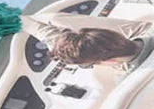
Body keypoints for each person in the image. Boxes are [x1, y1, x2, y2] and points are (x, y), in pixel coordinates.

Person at [21, 9, 154, 76]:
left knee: (54, 20)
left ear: (110, 61)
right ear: (117, 34)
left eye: (89, 64)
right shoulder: (147, 29)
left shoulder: (128, 82)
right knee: (55, 20)